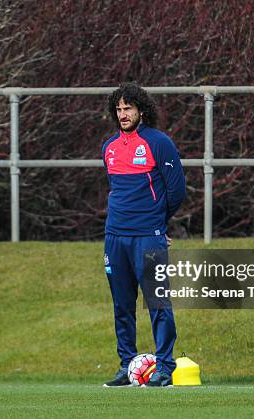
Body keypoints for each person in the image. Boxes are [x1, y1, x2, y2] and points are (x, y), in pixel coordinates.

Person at [101, 82, 187, 387]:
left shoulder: (158, 142)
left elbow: (177, 190)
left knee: (157, 301)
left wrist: (158, 224)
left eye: (129, 108)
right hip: (115, 237)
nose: (123, 114)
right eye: (119, 109)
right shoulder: (109, 148)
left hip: (148, 236)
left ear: (141, 110)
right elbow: (117, 190)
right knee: (121, 305)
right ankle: (127, 365)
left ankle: (165, 366)